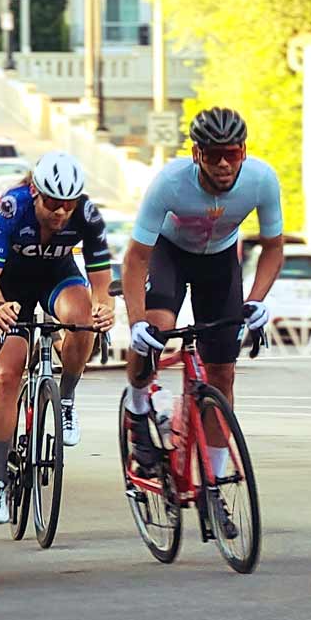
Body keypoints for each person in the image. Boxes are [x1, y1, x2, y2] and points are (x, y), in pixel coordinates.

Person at [121, 108, 283, 524]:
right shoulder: (170, 183)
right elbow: (136, 258)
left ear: (243, 151)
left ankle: (215, 484)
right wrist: (136, 321)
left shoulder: (261, 180)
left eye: (232, 153)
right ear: (197, 154)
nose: (224, 163)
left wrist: (258, 299)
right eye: (214, 155)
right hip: (169, 256)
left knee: (221, 376)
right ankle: (139, 408)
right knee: (155, 330)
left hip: (219, 262)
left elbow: (273, 247)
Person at [0, 153, 117, 524]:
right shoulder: (11, 207)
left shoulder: (86, 213)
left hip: (57, 276)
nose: (61, 212)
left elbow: (100, 276)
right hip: (11, 285)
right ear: (35, 191)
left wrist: (104, 306)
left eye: (68, 204)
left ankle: (66, 398)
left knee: (83, 318)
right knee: (7, 376)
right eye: (53, 203)